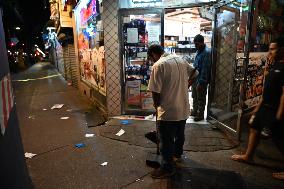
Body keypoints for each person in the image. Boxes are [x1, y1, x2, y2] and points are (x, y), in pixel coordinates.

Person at [231, 36, 284, 180]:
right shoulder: (275, 65)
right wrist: (258, 106)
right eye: (269, 49)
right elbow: (267, 88)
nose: (270, 52)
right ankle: (248, 156)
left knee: (279, 139)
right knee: (254, 128)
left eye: (273, 49)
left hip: (275, 108)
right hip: (265, 106)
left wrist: (280, 113)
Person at [147, 44, 198, 179]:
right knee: (179, 134)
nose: (152, 61)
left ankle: (167, 167)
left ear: (153, 54)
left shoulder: (158, 65)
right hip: (183, 108)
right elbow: (195, 73)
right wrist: (186, 85)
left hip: (168, 111)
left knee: (166, 140)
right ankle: (177, 155)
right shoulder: (180, 59)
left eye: (151, 58)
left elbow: (155, 91)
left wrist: (157, 106)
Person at [191, 34, 212, 121]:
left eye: (197, 44)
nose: (196, 46)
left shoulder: (206, 53)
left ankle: (200, 114)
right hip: (195, 78)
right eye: (195, 44)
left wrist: (202, 82)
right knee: (194, 96)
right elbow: (195, 65)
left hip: (201, 79)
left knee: (201, 98)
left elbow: (205, 69)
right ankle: (195, 111)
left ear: (202, 42)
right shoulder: (198, 51)